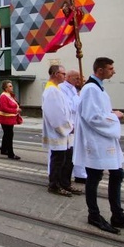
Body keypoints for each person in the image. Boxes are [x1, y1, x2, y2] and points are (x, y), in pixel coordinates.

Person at [74, 57, 124, 234]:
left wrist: (110, 113)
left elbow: (98, 112)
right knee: (94, 175)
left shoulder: (97, 87)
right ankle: (94, 215)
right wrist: (116, 117)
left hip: (104, 139)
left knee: (117, 173)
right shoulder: (91, 89)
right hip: (96, 140)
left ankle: (117, 215)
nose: (114, 71)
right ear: (100, 70)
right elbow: (93, 117)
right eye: (111, 68)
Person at [43, 65, 82, 197]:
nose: (65, 77)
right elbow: (55, 114)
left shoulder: (57, 89)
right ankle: (54, 185)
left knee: (67, 159)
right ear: (55, 74)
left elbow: (67, 109)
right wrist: (67, 127)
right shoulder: (51, 91)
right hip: (59, 131)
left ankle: (65, 183)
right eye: (63, 74)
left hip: (66, 131)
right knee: (58, 160)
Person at [60, 69, 87, 184]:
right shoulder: (62, 88)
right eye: (76, 78)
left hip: (78, 123)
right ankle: (63, 178)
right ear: (69, 77)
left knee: (79, 150)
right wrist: (79, 97)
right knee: (68, 152)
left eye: (79, 78)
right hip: (69, 124)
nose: (78, 81)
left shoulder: (74, 89)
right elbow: (70, 107)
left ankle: (80, 174)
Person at [0, 80, 21, 160]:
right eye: (10, 86)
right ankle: (11, 153)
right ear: (5, 88)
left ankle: (4, 149)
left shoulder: (9, 95)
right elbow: (4, 108)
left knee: (7, 134)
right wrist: (15, 110)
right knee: (9, 135)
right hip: (6, 118)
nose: (12, 87)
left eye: (11, 86)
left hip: (9, 118)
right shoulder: (4, 96)